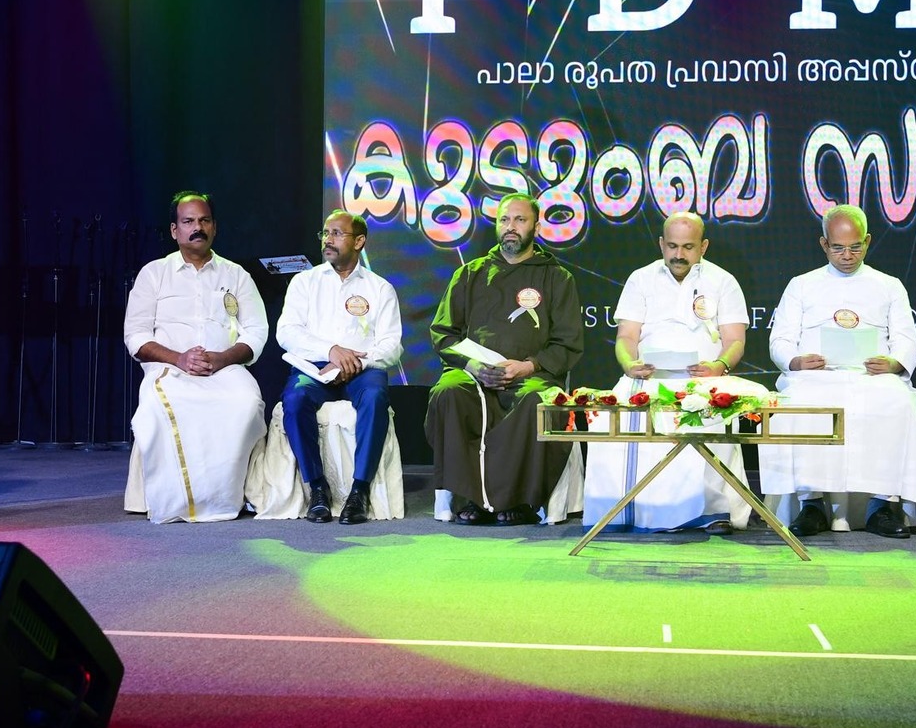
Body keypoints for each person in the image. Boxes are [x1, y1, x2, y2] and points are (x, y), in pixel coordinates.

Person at [759, 204, 916, 540]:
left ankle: (882, 506)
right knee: (797, 402)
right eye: (838, 248)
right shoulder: (802, 285)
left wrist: (893, 363)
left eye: (855, 247)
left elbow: (906, 340)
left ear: (868, 241)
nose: (847, 256)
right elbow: (780, 340)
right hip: (815, 377)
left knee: (898, 402)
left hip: (871, 377)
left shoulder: (889, 285)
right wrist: (796, 361)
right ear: (824, 244)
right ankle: (812, 505)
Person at [582, 211, 753, 532]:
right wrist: (629, 364)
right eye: (672, 246)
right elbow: (626, 337)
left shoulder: (723, 281)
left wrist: (718, 367)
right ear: (661, 244)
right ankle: (630, 511)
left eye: (688, 247)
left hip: (704, 381)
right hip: (648, 378)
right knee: (612, 416)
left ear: (703, 246)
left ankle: (710, 512)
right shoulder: (641, 279)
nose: (679, 254)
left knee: (703, 412)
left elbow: (735, 341)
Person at [426, 193, 584, 525]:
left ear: (536, 228)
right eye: (504, 220)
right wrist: (473, 366)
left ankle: (516, 501)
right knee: (448, 393)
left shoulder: (557, 278)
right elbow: (444, 333)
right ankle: (472, 498)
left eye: (520, 220)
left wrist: (528, 366)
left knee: (536, 401)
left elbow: (568, 343)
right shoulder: (470, 274)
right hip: (474, 373)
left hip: (532, 374)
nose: (511, 227)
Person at [122, 192, 268, 522]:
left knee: (247, 403)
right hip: (170, 370)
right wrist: (179, 359)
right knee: (158, 406)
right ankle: (174, 500)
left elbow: (257, 332)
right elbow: (136, 335)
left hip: (225, 369)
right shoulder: (154, 273)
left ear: (215, 227)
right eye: (188, 221)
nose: (197, 228)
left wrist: (222, 359)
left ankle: (228, 495)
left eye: (204, 220)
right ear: (174, 230)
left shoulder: (236, 275)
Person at [271, 211, 403, 524]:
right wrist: (330, 351)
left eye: (337, 234)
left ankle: (360, 491)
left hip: (363, 370)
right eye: (325, 233)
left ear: (359, 241)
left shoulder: (380, 288)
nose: (328, 240)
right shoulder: (305, 282)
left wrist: (359, 361)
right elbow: (286, 332)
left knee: (375, 398)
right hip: (315, 369)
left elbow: (392, 345)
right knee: (295, 399)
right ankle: (317, 488)